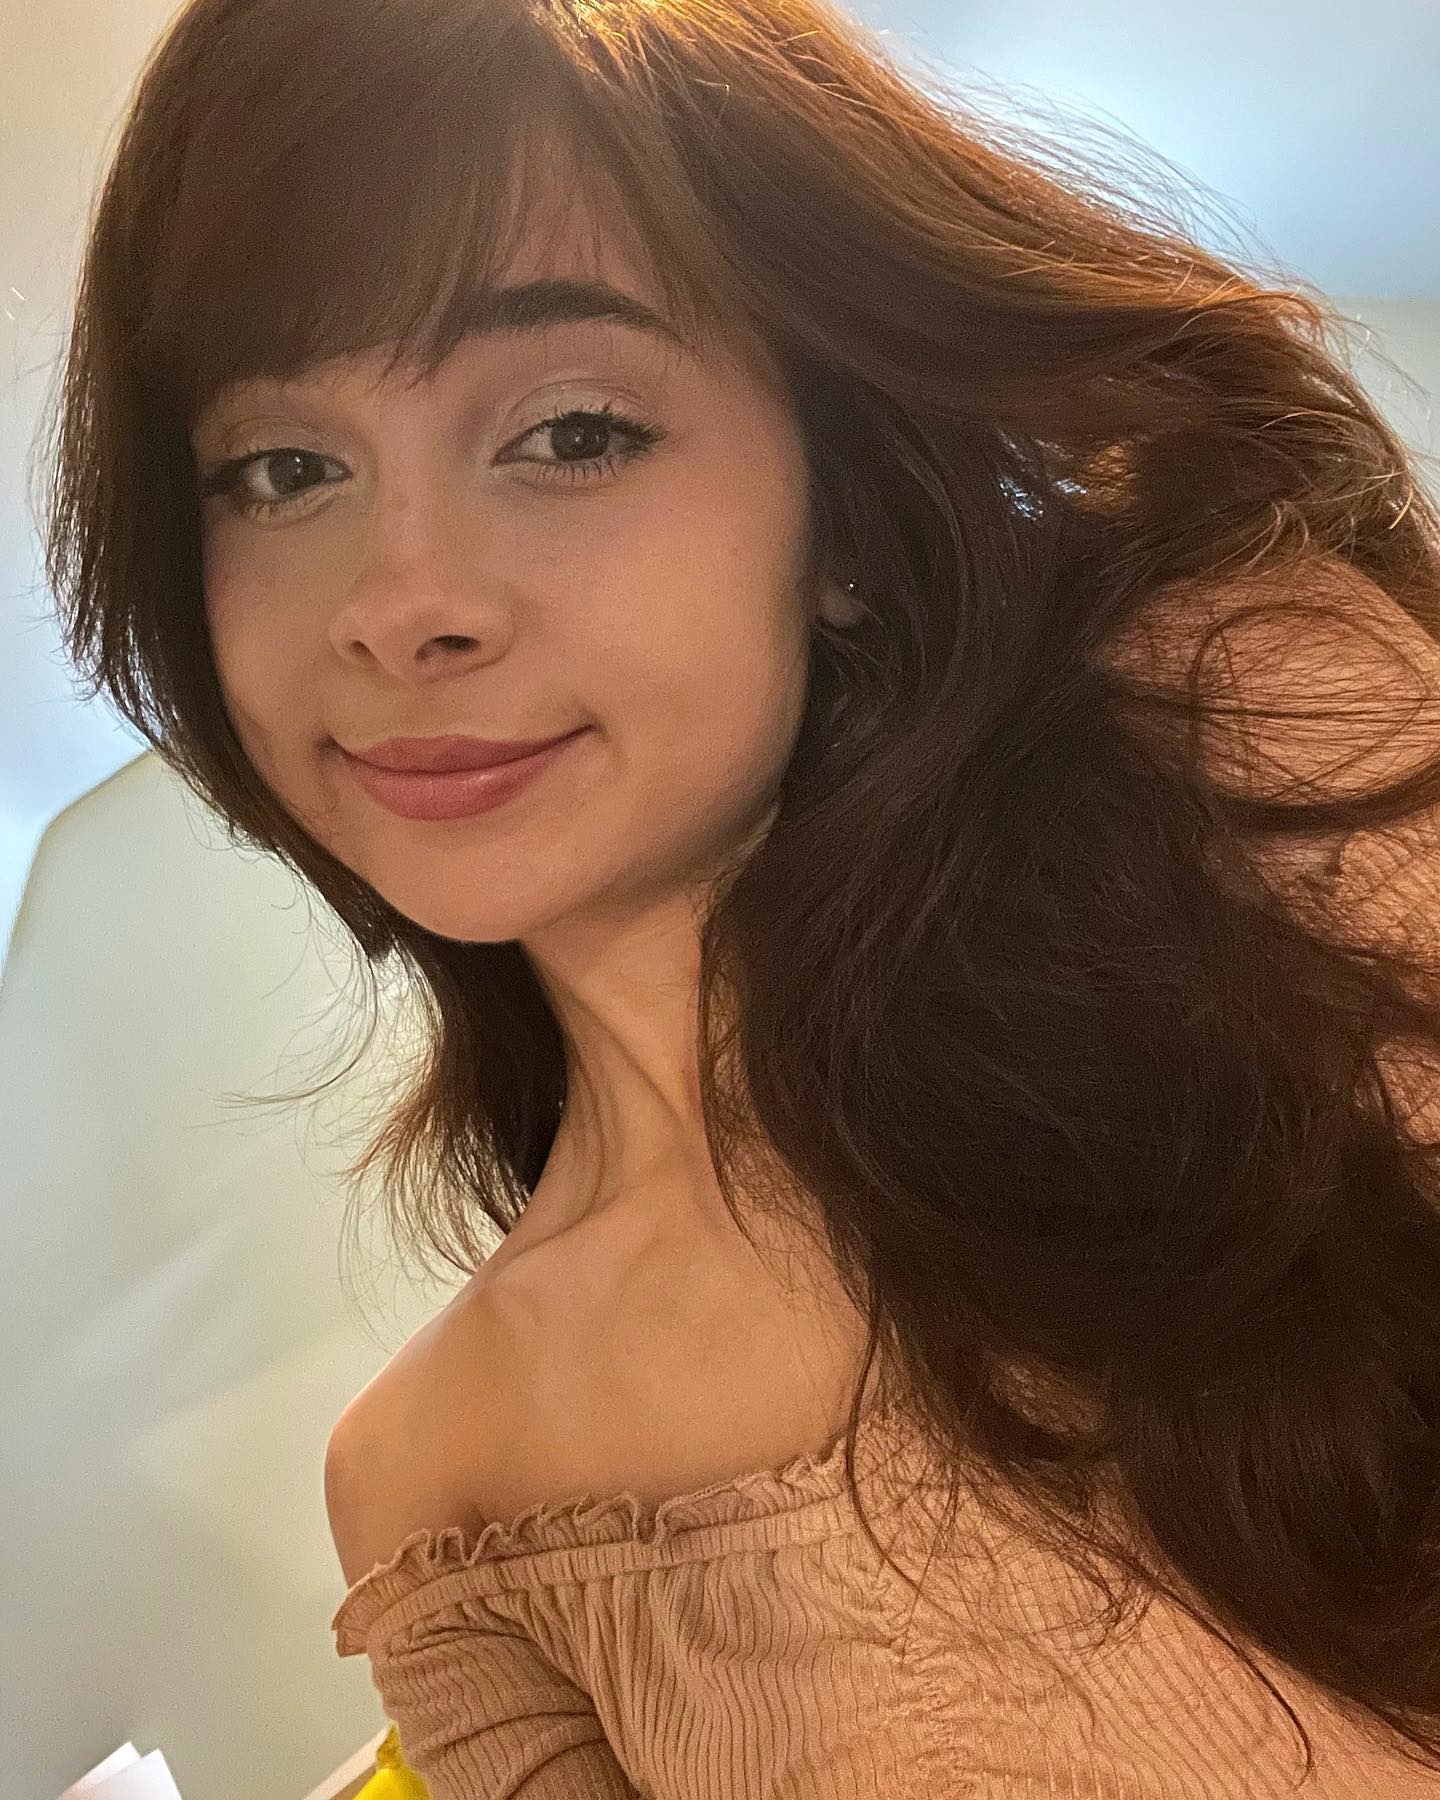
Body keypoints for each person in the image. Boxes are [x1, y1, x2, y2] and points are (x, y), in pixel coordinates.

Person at [40, 0, 1440, 1793]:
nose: (399, 604)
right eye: (284, 469)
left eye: (571, 433)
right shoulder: (440, 1494)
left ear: (841, 514)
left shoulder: (1247, 730)